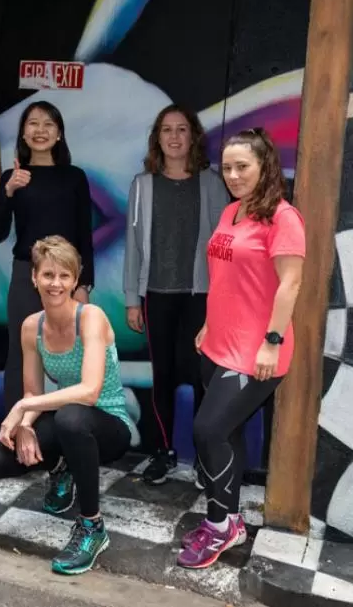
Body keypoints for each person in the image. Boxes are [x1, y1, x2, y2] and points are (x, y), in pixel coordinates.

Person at [178, 128, 305, 570]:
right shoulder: (231, 211)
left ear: (264, 166)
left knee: (207, 430)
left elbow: (290, 283)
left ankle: (219, 526)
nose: (233, 175)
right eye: (227, 167)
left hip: (256, 352)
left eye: (242, 167)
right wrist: (210, 323)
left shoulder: (283, 218)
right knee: (226, 433)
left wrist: (272, 342)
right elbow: (225, 276)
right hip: (217, 344)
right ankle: (227, 521)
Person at [0, 236, 133, 575]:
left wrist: (22, 409)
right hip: (69, 417)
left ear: (75, 279)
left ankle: (92, 527)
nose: (56, 283)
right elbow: (34, 390)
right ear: (34, 278)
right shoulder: (31, 327)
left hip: (109, 424)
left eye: (65, 276)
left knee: (70, 418)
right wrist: (24, 425)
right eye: (48, 275)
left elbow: (90, 391)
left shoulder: (90, 317)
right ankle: (63, 466)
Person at [123, 105, 230, 486]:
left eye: (181, 129)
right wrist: (133, 299)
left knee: (204, 376)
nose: (173, 137)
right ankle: (162, 451)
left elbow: (224, 245)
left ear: (193, 136)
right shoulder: (143, 185)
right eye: (166, 129)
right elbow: (133, 246)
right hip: (157, 294)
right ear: (157, 138)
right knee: (162, 377)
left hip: (200, 296)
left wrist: (223, 300)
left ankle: (204, 458)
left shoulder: (213, 183)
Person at [0, 101, 95, 412]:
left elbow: (84, 235)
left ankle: (68, 428)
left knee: (72, 354)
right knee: (20, 352)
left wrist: (83, 284)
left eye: (48, 124)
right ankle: (14, 429)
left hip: (67, 279)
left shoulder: (74, 177)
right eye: (33, 123)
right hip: (26, 275)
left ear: (60, 134)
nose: (40, 130)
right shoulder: (14, 176)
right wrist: (7, 191)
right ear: (22, 133)